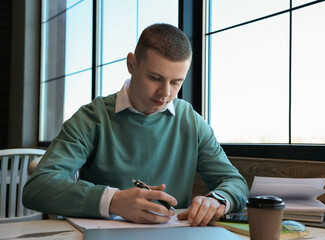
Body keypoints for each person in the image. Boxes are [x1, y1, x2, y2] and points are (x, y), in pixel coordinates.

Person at [23, 23, 249, 227]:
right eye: (155, 78)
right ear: (131, 64)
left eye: (176, 82)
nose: (165, 93)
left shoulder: (192, 121)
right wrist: (114, 201)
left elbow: (234, 182)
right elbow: (38, 187)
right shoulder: (91, 118)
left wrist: (217, 199)